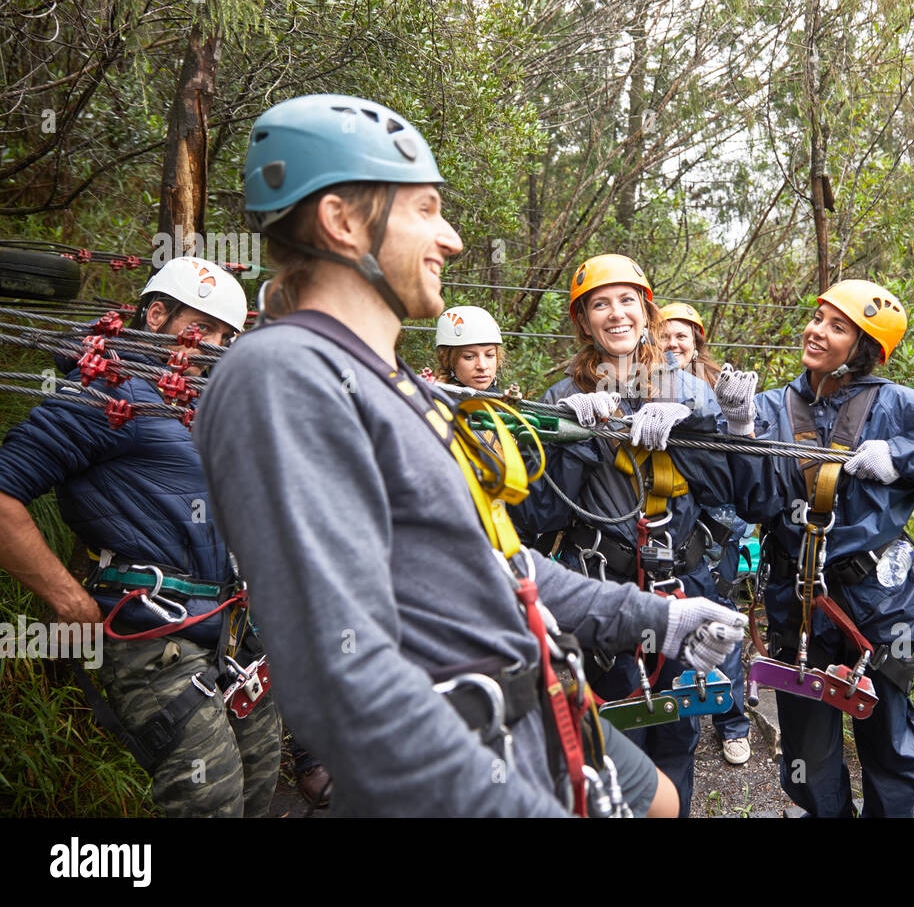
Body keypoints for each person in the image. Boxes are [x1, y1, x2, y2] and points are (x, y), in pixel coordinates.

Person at [194, 94, 745, 817]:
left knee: (662, 802)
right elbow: (338, 669)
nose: (451, 238)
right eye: (425, 209)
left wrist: (654, 618)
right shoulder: (283, 378)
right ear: (342, 221)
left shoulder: (398, 384)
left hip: (537, 695)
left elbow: (497, 561)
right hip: (458, 738)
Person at [0, 256, 283, 817]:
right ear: (155, 316)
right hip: (154, 636)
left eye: (226, 337)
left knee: (259, 784)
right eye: (203, 329)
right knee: (211, 800)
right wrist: (67, 598)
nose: (214, 348)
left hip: (231, 632)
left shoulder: (195, 406)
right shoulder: (102, 396)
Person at [718, 279, 914, 817]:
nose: (816, 331)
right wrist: (739, 431)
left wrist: (902, 457)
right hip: (798, 597)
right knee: (806, 748)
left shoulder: (897, 406)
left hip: (880, 598)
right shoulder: (771, 408)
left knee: (888, 736)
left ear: (864, 347)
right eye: (818, 318)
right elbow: (752, 502)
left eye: (837, 326)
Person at [509, 256, 740, 815]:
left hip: (682, 579)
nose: (616, 314)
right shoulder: (560, 398)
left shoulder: (692, 390)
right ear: (583, 320)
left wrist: (699, 425)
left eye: (626, 301)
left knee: (678, 734)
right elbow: (536, 515)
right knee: (618, 736)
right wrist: (574, 436)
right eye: (600, 304)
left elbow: (731, 492)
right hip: (605, 588)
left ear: (646, 310)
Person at [660, 301, 752, 765]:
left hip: (720, 532)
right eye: (665, 335)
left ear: (697, 342)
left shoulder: (721, 390)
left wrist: (732, 531)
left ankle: (732, 724)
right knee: (680, 625)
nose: (673, 344)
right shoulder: (645, 387)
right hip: (680, 532)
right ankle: (683, 713)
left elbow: (739, 465)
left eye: (682, 336)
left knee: (722, 621)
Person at [434, 304, 508, 392]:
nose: (482, 366)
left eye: (489, 355)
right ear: (447, 360)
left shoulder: (496, 396)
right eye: (469, 357)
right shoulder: (435, 398)